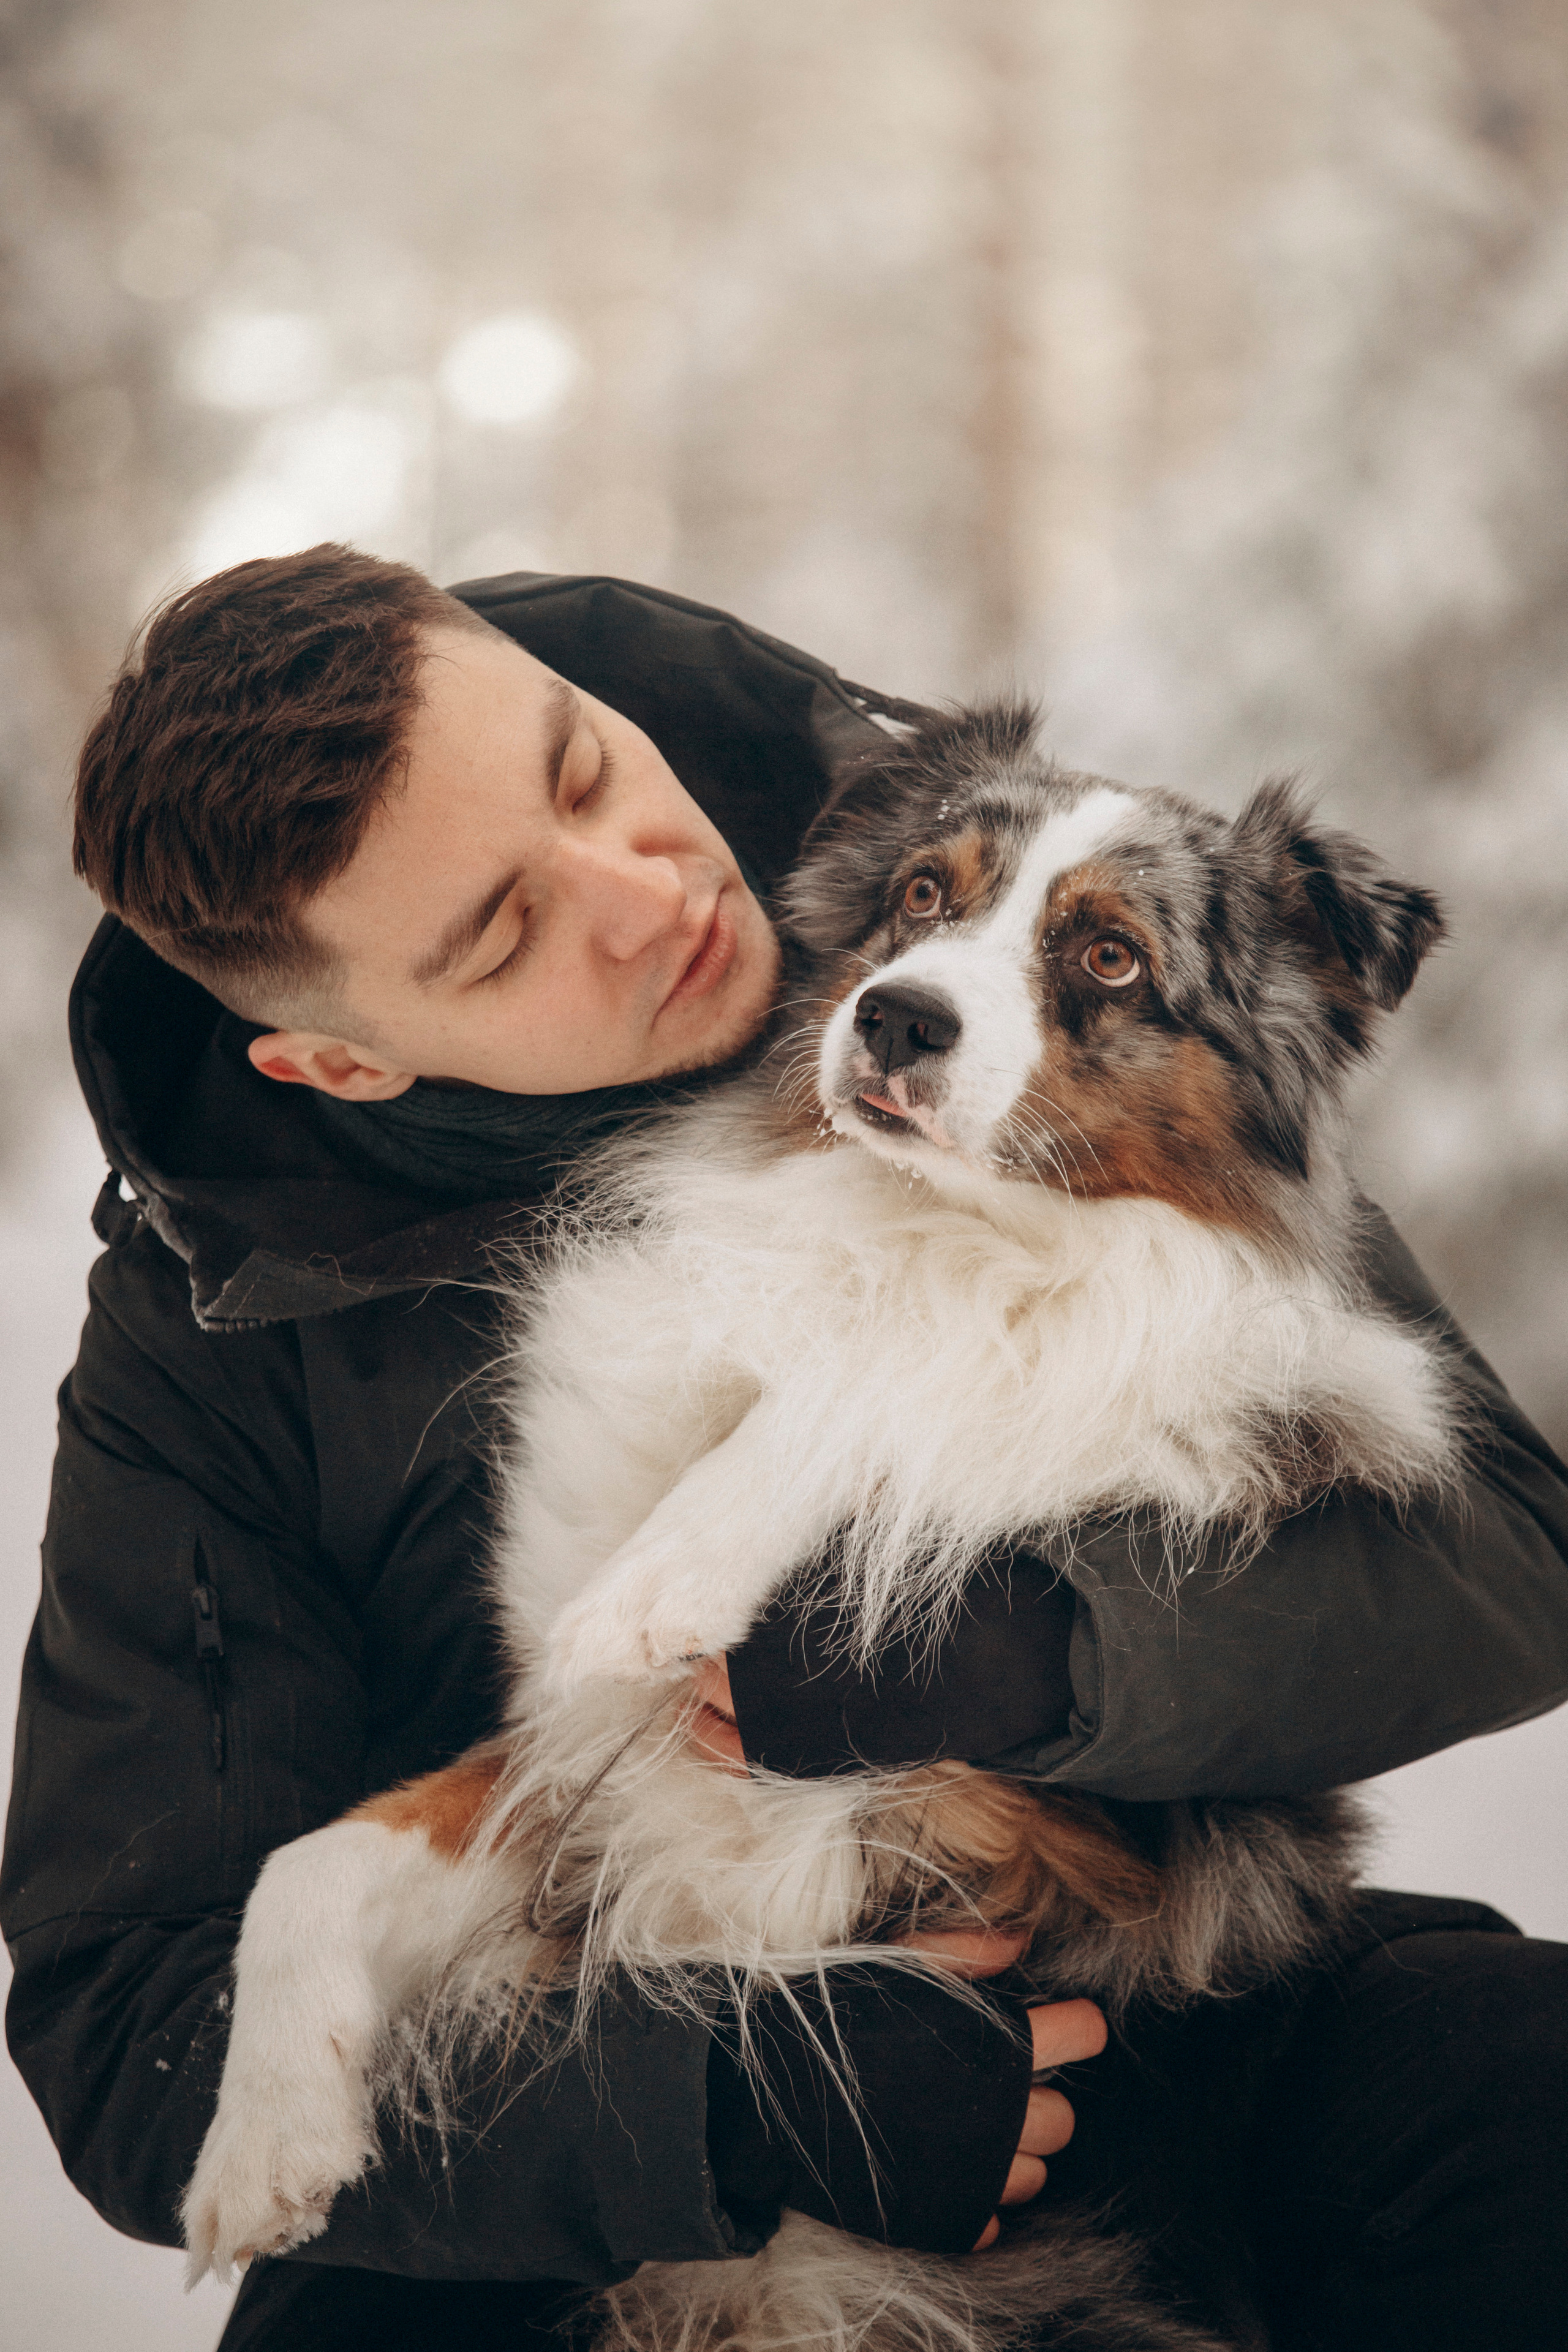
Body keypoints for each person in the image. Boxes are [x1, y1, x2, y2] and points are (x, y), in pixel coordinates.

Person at [3, 545, 1564, 2352]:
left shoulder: (942, 861)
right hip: (578, 2065)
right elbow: (134, 2021)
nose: (648, 892)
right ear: (341, 1066)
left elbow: (1502, 1561)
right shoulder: (204, 1339)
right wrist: (719, 2107)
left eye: (587, 768)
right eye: (507, 931)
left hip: (1137, 1972)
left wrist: (1049, 1650)